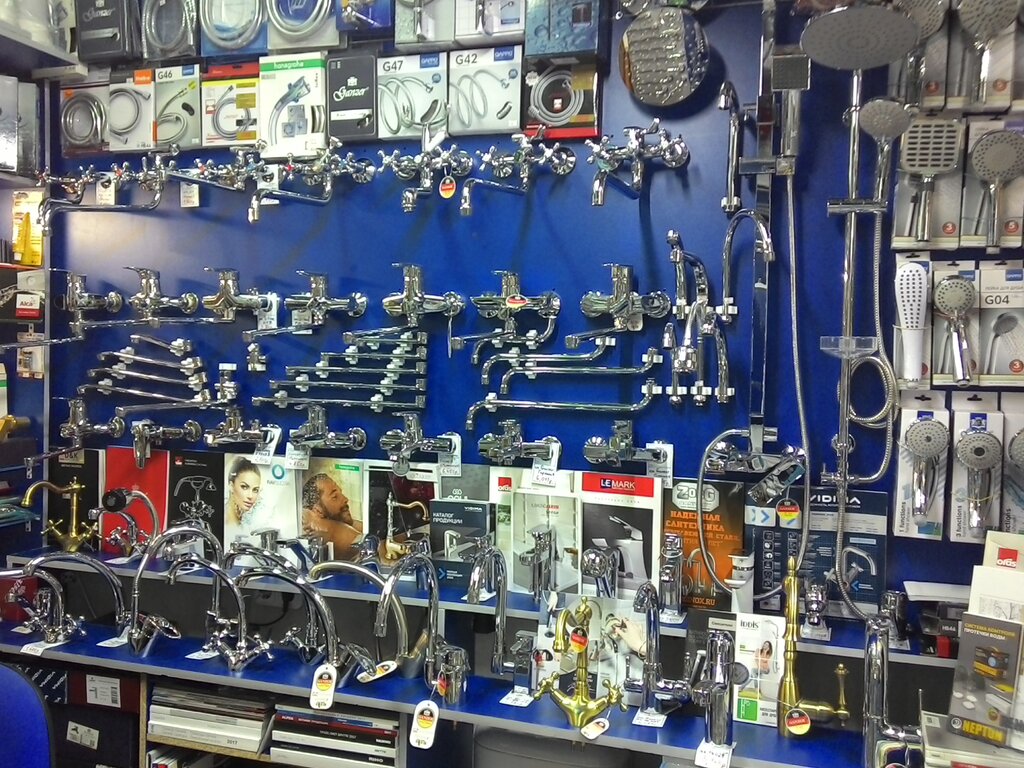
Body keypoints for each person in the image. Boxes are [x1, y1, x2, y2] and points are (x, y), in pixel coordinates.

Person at [301, 473, 363, 556]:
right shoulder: (321, 539)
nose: (345, 499)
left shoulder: (348, 530)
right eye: (335, 497)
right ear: (318, 510)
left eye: (341, 493)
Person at [226, 457, 262, 529]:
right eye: (244, 487)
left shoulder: (246, 523)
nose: (250, 496)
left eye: (255, 490)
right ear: (231, 486)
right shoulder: (225, 520)